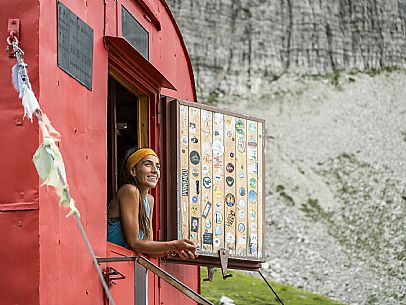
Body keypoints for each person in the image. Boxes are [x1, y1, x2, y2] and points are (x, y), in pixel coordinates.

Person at [107, 147, 197, 260]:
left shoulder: (149, 200)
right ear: (133, 171)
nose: (155, 170)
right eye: (148, 164)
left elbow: (148, 248)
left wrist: (176, 250)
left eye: (158, 167)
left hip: (124, 265)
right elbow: (134, 243)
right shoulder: (129, 191)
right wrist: (173, 244)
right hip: (109, 260)